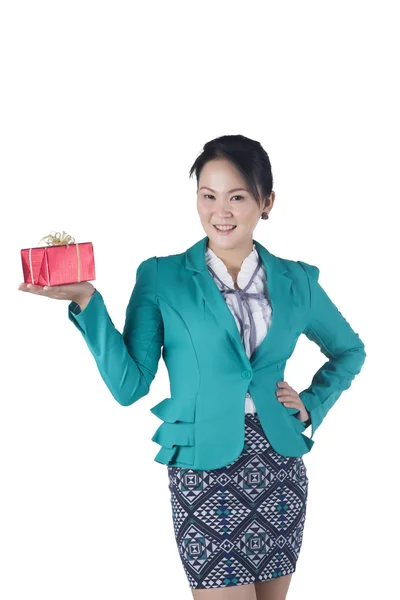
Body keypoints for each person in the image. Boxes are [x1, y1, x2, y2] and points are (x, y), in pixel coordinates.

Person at [18, 134, 366, 600]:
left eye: (237, 197)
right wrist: (88, 301)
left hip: (278, 464)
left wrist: (311, 405)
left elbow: (350, 350)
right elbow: (129, 385)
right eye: (208, 196)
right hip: (202, 468)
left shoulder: (297, 279)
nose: (220, 211)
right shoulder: (162, 276)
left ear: (266, 202)